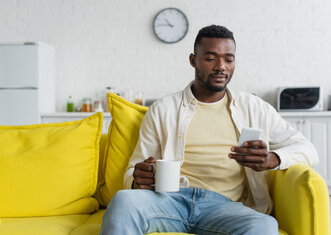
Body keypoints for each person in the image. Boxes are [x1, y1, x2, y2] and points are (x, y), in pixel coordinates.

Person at [100, 25, 319, 235]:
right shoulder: (162, 109)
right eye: (210, 58)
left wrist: (273, 158)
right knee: (123, 201)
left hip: (225, 207)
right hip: (169, 201)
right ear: (193, 60)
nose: (220, 66)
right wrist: (138, 179)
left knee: (264, 226)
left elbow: (308, 149)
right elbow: (133, 170)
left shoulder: (254, 107)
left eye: (228, 59)